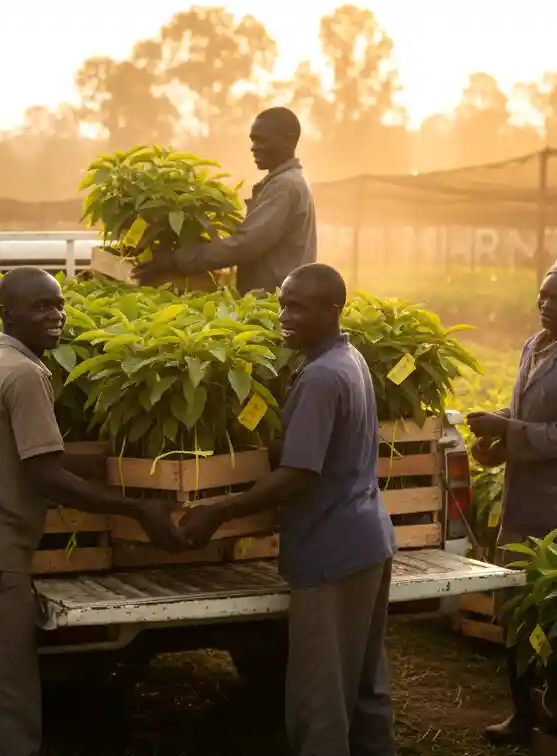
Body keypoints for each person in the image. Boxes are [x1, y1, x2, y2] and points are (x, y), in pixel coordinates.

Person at [0, 266, 186, 756]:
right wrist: (139, 509)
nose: (56, 316)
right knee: (5, 708)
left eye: (58, 304)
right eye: (40, 306)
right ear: (7, 312)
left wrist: (109, 461)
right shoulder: (25, 374)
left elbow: (41, 454)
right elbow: (46, 476)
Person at [180, 262, 396, 756]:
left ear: (333, 309)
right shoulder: (348, 359)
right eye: (282, 303)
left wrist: (218, 510)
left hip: (331, 551)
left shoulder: (322, 375)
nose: (284, 316)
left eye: (298, 306)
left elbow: (298, 476)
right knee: (365, 687)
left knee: (319, 700)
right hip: (367, 541)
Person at [465, 256, 557, 746]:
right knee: (515, 611)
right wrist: (495, 434)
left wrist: (509, 430)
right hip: (524, 500)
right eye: (543, 294)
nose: (545, 303)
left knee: (550, 611)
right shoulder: (535, 346)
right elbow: (528, 414)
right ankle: (521, 712)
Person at [134, 107, 317, 295]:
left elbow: (247, 245)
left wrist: (175, 260)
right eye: (253, 140)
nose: (254, 147)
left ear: (288, 139)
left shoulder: (285, 185)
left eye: (262, 140)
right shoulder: (290, 181)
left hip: (273, 303)